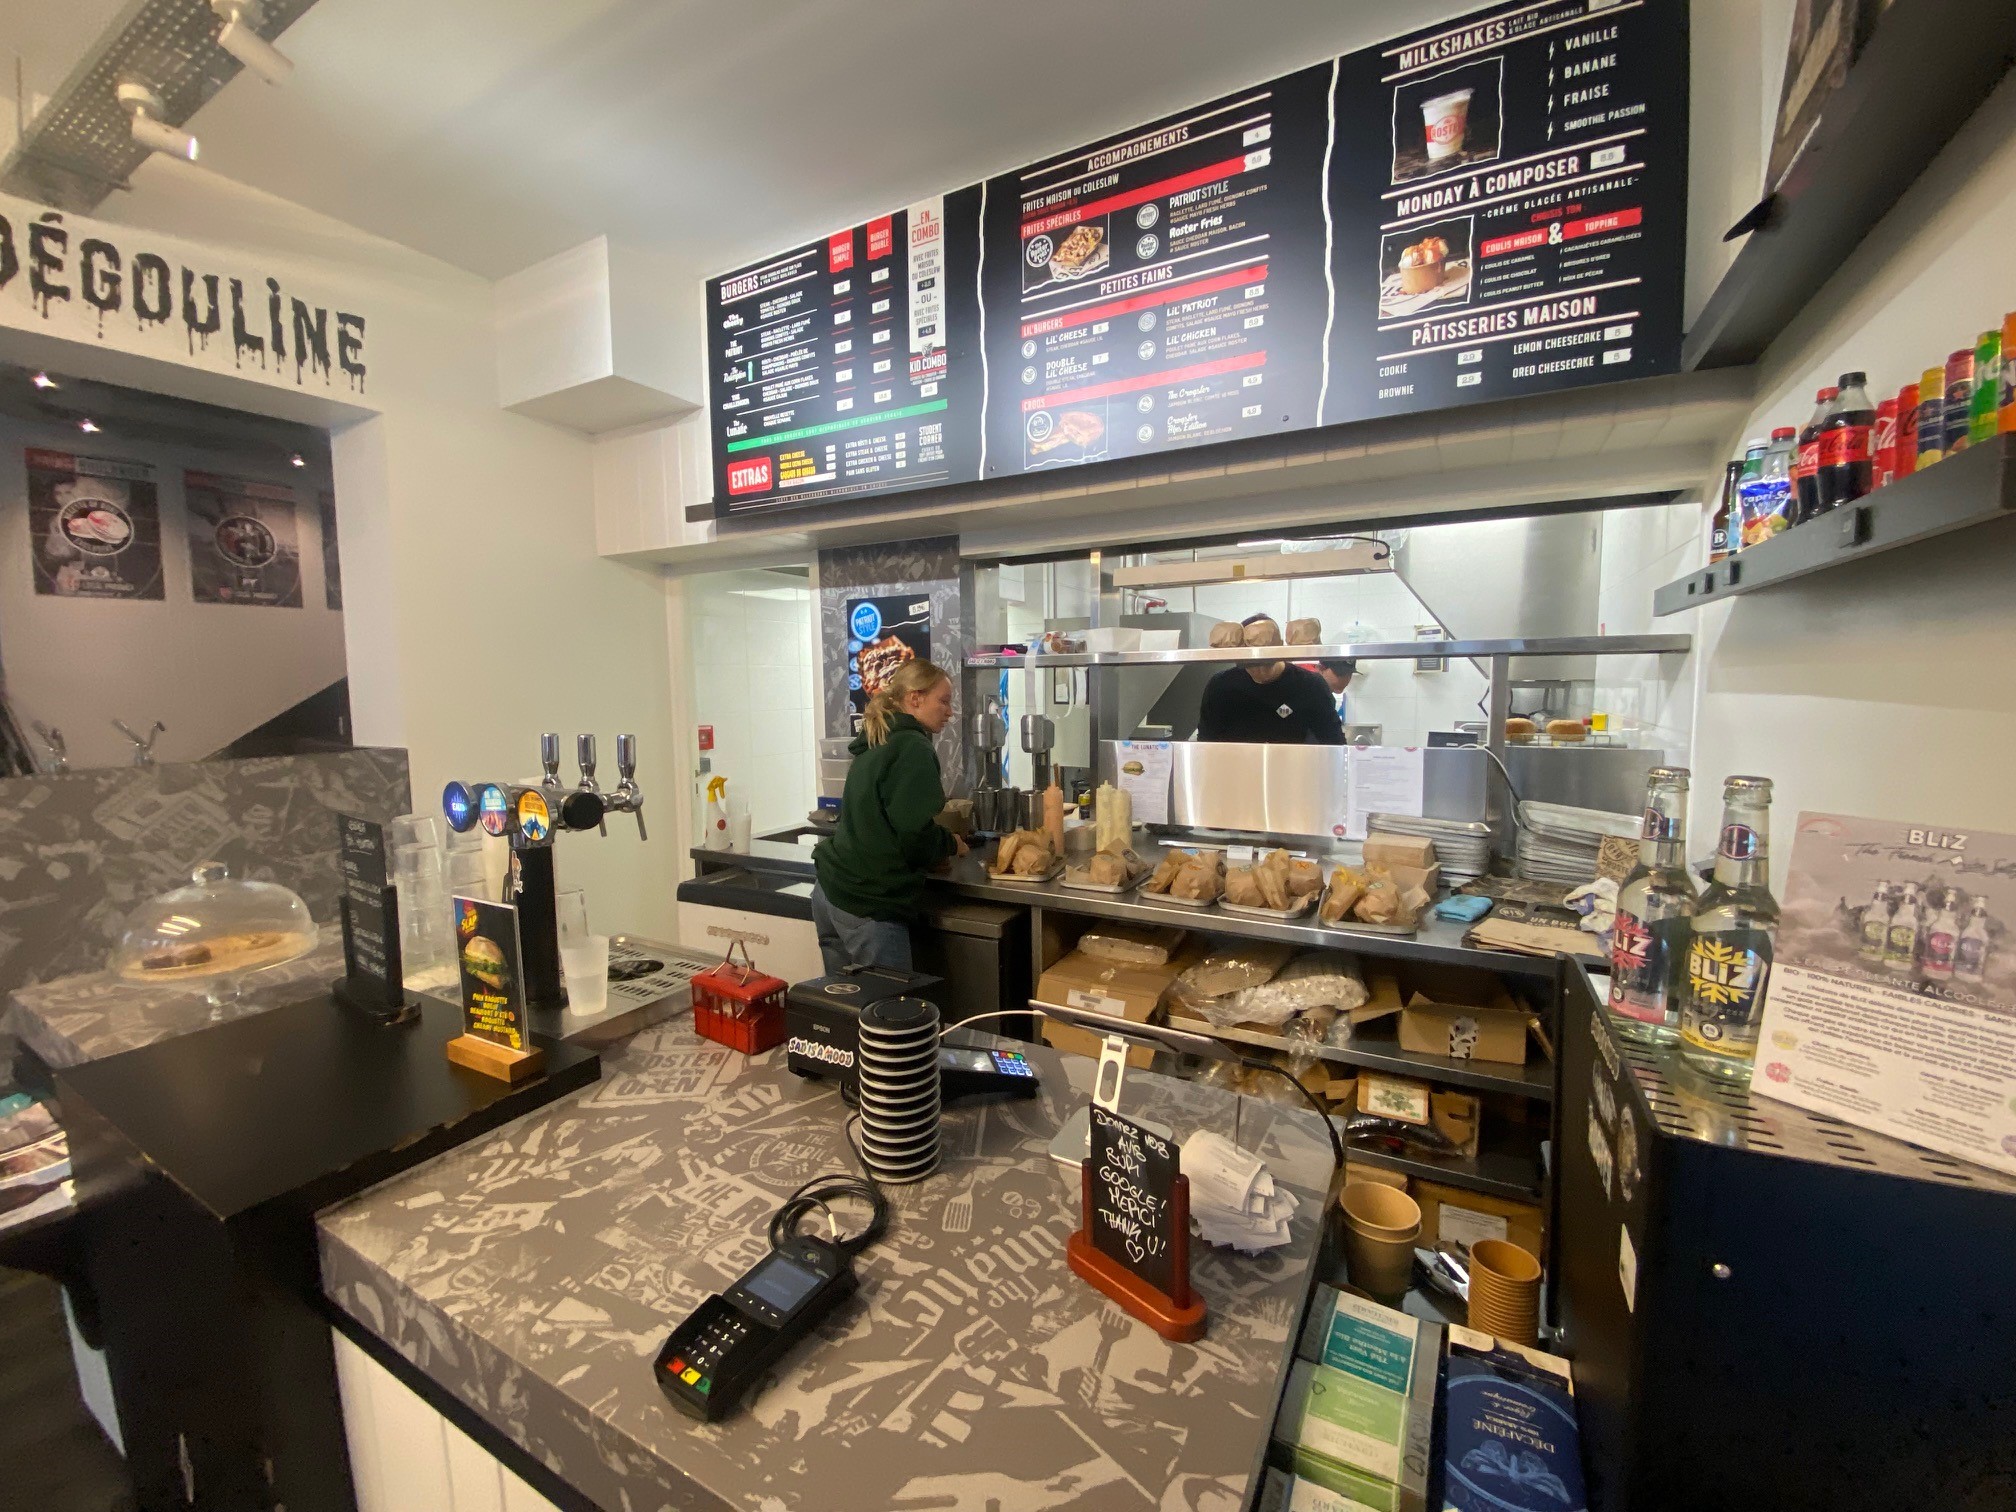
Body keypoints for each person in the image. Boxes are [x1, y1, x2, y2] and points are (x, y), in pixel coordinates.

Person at [811, 658, 967, 973]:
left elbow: (884, 822)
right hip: (867, 903)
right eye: (943, 701)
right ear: (915, 698)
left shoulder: (877, 737)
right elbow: (913, 834)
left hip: (830, 892)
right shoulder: (912, 747)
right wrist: (950, 844)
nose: (950, 712)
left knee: (842, 999)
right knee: (887, 1004)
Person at [1195, 616, 1345, 745]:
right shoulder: (1221, 686)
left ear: (1279, 645)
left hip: (1293, 766)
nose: (1257, 668)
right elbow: (1206, 743)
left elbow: (1334, 742)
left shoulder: (1310, 685)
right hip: (1235, 767)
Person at [1314, 658, 1357, 723]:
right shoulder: (1306, 694)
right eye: (1340, 673)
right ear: (1320, 669)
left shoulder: (1329, 699)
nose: (1346, 679)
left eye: (1349, 674)